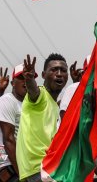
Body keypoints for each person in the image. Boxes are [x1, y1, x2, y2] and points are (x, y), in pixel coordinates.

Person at [16, 53, 68, 182]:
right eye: (54, 70)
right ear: (44, 75)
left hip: (48, 168)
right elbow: (33, 92)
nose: (59, 73)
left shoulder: (55, 106)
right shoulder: (40, 96)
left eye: (63, 70)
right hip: (38, 168)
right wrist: (29, 79)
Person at [0, 64, 29, 181]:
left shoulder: (28, 105)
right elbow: (8, 139)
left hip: (20, 166)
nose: (25, 81)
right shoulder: (6, 100)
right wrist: (23, 176)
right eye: (21, 78)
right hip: (8, 168)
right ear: (13, 83)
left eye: (29, 78)